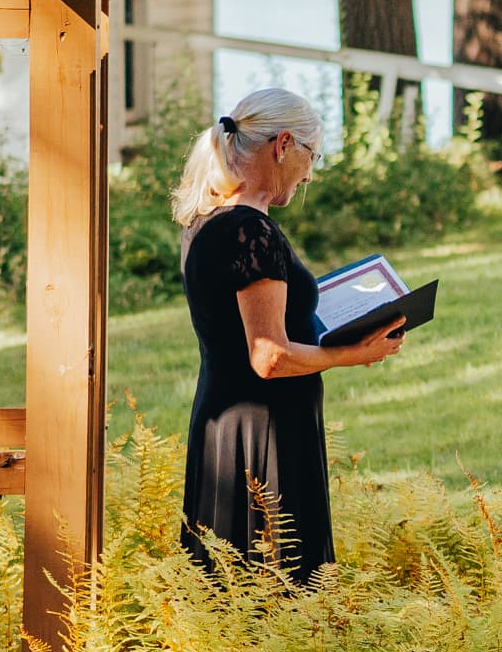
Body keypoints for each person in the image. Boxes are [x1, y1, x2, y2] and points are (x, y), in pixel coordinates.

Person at [173, 87, 408, 578]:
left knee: (233, 593)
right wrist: (356, 352)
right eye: (311, 156)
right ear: (283, 146)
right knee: (277, 590)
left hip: (223, 428)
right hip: (266, 437)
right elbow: (269, 356)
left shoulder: (205, 222)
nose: (310, 173)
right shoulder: (250, 232)